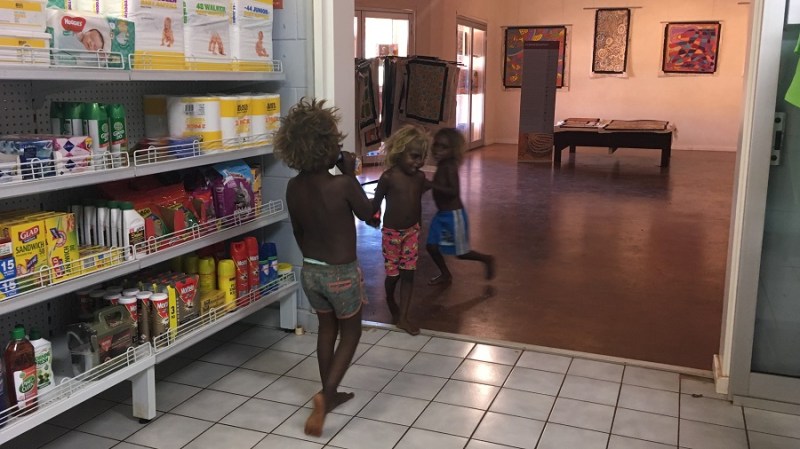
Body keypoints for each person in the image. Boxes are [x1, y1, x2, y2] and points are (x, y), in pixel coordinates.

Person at [274, 98, 375, 437]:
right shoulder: (341, 184)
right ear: (327, 146)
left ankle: (327, 393)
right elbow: (370, 215)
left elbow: (298, 231)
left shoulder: (293, 187)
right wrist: (350, 174)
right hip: (340, 274)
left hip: (311, 272)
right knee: (352, 333)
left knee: (327, 331)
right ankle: (326, 396)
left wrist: (313, 262)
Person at [371, 125, 431, 336]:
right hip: (392, 234)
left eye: (422, 157)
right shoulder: (388, 178)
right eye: (414, 156)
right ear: (398, 152)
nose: (418, 162)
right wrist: (372, 217)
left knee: (409, 274)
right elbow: (375, 205)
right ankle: (389, 296)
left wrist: (419, 227)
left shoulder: (420, 178)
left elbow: (418, 202)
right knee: (393, 275)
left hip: (412, 232)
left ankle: (403, 317)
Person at [426, 128, 495, 285]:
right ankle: (445, 274)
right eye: (436, 145)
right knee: (431, 246)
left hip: (453, 216)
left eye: (444, 147)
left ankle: (487, 259)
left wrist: (432, 185)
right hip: (441, 215)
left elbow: (453, 191)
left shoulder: (450, 167)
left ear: (453, 150)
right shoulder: (442, 165)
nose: (437, 150)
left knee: (461, 253)